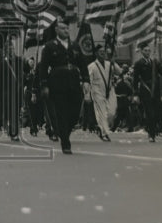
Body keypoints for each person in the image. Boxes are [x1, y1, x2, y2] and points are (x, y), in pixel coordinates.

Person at [38, 20, 83, 154]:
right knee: (61, 113)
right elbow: (43, 67)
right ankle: (65, 142)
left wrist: (86, 80)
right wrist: (44, 85)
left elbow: (82, 64)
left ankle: (64, 132)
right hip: (57, 84)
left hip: (74, 83)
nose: (66, 31)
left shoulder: (74, 46)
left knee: (74, 113)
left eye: (67, 29)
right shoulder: (50, 46)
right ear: (57, 30)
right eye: (63, 29)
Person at [85, 43, 118, 142]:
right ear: (96, 53)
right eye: (101, 52)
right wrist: (87, 94)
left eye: (104, 52)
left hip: (109, 90)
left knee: (112, 112)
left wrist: (114, 62)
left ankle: (101, 128)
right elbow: (88, 81)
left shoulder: (109, 64)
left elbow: (119, 72)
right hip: (97, 90)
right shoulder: (92, 66)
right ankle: (104, 133)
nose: (103, 53)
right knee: (101, 112)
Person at [132, 42, 162, 143]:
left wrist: (158, 62)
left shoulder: (154, 62)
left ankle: (154, 129)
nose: (148, 52)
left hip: (155, 90)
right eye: (145, 50)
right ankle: (151, 134)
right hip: (145, 90)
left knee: (157, 112)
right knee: (149, 112)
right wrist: (135, 94)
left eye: (149, 50)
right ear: (141, 52)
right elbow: (135, 80)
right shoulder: (139, 64)